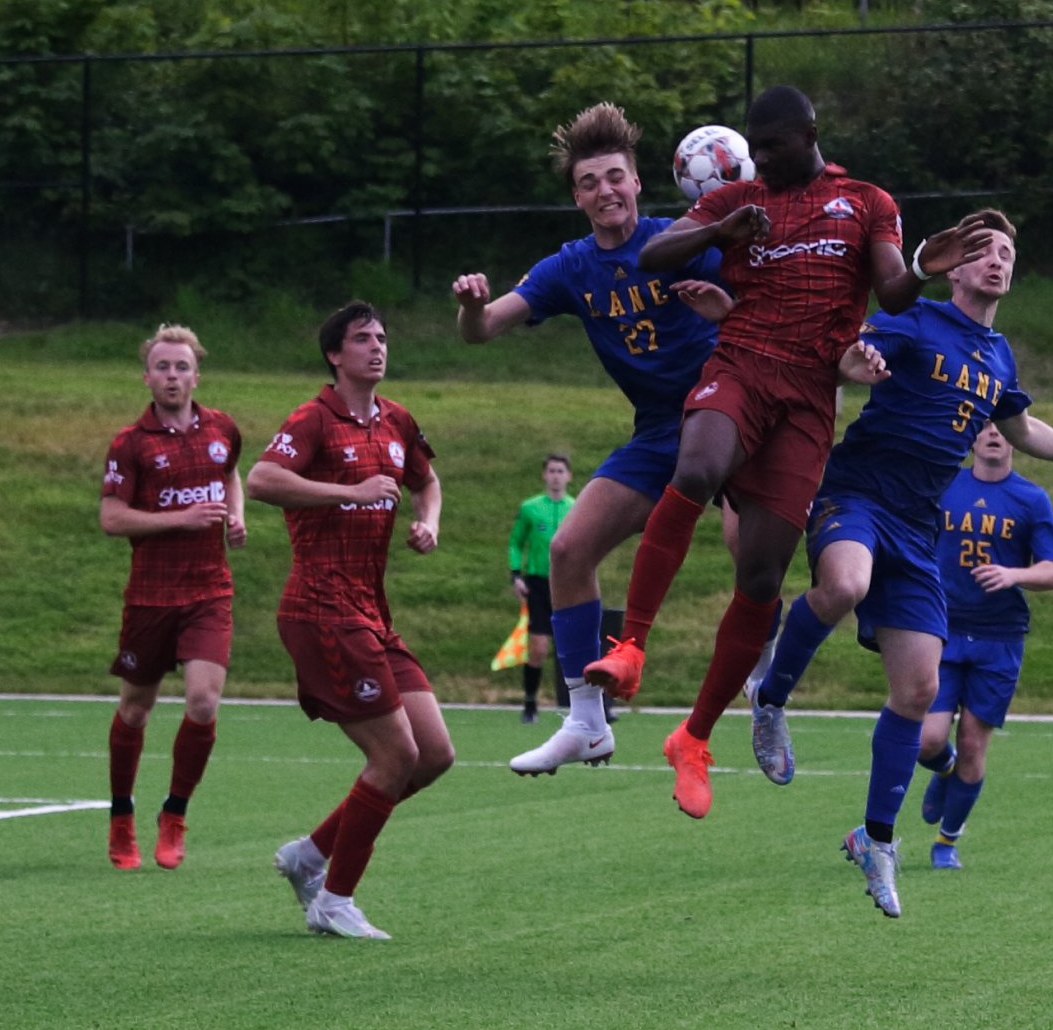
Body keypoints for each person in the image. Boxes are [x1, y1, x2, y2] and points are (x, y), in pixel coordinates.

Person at [582, 84, 996, 820]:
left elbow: (892, 291)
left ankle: (696, 736)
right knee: (697, 466)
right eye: (753, 148)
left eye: (770, 146)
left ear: (808, 134)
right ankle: (631, 646)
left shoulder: (866, 201)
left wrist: (926, 267)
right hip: (740, 361)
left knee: (763, 575)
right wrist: (722, 230)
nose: (760, 159)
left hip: (807, 398)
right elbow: (653, 252)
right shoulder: (741, 198)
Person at [747, 210, 1053, 916]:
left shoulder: (997, 354)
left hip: (918, 526)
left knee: (918, 692)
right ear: (952, 266)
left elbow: (1018, 425)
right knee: (844, 583)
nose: (995, 261)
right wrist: (853, 363)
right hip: (857, 493)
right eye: (981, 251)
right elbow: (838, 354)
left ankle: (875, 839)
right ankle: (769, 697)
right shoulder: (916, 320)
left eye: (1007, 252)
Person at [453, 101, 731, 776]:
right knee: (568, 548)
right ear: (577, 197)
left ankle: (767, 684)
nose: (605, 189)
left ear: (638, 181)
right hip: (659, 431)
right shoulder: (570, 268)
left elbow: (767, 307)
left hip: (728, 415)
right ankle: (585, 721)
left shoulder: (684, 238)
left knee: (749, 546)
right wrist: (468, 305)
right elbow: (483, 328)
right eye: (589, 182)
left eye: (615, 176)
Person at [250, 301, 452, 940]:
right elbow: (260, 479)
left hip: (370, 611)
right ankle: (334, 899)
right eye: (363, 338)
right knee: (395, 756)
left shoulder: (397, 420)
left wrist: (429, 522)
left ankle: (309, 855)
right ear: (335, 354)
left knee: (435, 755)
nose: (377, 346)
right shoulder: (313, 418)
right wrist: (351, 491)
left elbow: (428, 481)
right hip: (320, 609)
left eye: (382, 337)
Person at [98, 324, 245, 872]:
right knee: (135, 710)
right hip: (151, 596)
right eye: (162, 367)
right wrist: (181, 518)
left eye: (181, 367)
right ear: (147, 377)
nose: (172, 376)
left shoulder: (222, 428)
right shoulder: (130, 443)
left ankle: (175, 813)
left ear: (196, 375)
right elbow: (112, 517)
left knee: (204, 703)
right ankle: (120, 816)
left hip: (209, 590)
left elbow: (229, 475)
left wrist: (236, 516)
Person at [917, 424, 1053, 870]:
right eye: (984, 426)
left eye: (1003, 427)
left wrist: (1013, 575)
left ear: (1016, 440)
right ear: (971, 439)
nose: (994, 433)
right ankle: (945, 769)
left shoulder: (1031, 499)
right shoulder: (943, 485)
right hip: (942, 628)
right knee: (927, 740)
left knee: (974, 745)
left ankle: (947, 842)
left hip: (999, 637)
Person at [509, 453, 575, 723]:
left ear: (569, 476)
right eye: (552, 471)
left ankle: (588, 707)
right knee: (538, 647)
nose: (556, 476)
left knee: (575, 647)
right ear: (544, 475)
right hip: (538, 583)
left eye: (561, 471)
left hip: (568, 582)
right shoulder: (530, 508)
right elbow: (516, 542)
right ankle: (530, 703)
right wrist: (515, 575)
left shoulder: (577, 507)